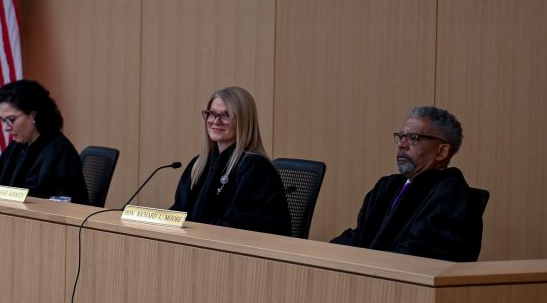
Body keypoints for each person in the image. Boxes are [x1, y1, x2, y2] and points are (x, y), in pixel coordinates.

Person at [330, 106, 483, 261]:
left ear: (442, 151)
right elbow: (360, 237)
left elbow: (423, 253)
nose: (401, 144)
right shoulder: (387, 186)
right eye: (401, 136)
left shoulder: (452, 195)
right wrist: (326, 251)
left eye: (414, 138)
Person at [171, 86, 292, 236]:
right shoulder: (199, 164)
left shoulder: (256, 167)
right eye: (212, 113)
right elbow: (179, 213)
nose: (216, 121)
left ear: (243, 121)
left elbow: (236, 225)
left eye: (226, 115)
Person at [0, 80, 88, 204]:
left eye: (11, 119)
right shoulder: (15, 148)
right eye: (3, 120)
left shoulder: (61, 152)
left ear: (33, 115)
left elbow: (60, 204)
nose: (6, 128)